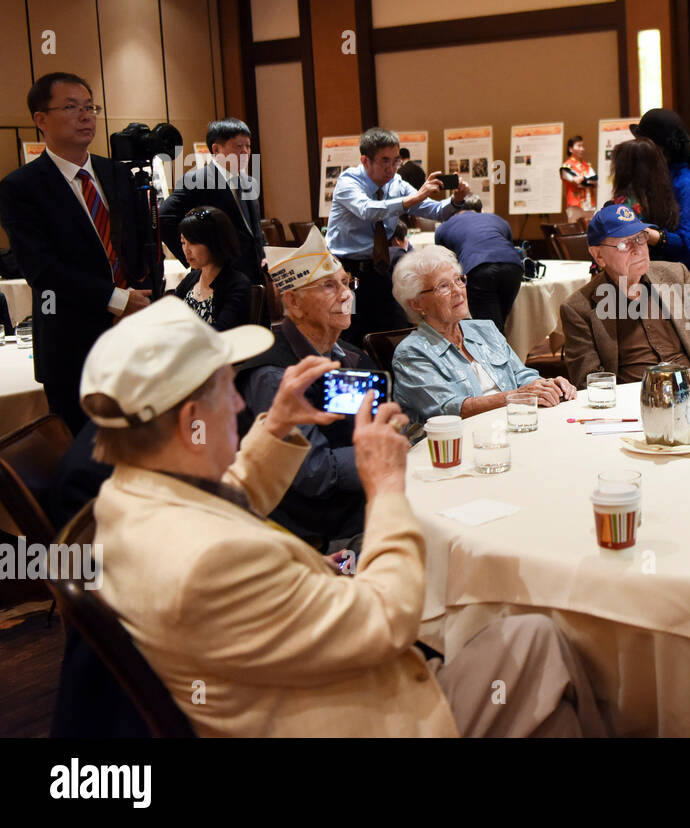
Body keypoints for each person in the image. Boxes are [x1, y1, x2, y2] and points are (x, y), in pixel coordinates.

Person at [84, 296, 605, 737]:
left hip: (291, 676)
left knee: (531, 650)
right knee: (543, 641)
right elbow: (386, 619)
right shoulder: (212, 560)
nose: (242, 409)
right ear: (190, 422)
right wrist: (385, 491)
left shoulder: (129, 499)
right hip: (359, 715)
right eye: (228, 390)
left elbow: (226, 500)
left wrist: (279, 427)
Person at [0, 72, 155, 432]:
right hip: (73, 346)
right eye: (71, 107)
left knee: (145, 446)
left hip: (137, 338)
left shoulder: (116, 174)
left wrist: (140, 298)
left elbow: (141, 243)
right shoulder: (21, 188)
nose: (86, 116)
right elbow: (42, 270)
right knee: (89, 460)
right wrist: (117, 300)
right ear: (41, 120)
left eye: (91, 107)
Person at [236, 228, 377, 551]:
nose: (345, 295)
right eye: (329, 285)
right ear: (294, 303)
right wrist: (380, 453)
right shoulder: (274, 374)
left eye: (346, 283)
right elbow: (314, 473)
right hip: (316, 535)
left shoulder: (352, 357)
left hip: (365, 504)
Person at [392, 245, 575, 420]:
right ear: (416, 303)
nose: (458, 291)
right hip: (453, 445)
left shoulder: (484, 329)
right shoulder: (411, 353)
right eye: (443, 286)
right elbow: (450, 409)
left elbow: (520, 375)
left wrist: (547, 385)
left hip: (511, 426)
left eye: (458, 280)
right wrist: (518, 396)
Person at [325, 127, 468, 345]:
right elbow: (369, 210)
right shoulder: (348, 182)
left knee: (392, 328)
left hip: (380, 268)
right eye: (385, 161)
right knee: (348, 331)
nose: (391, 168)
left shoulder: (396, 184)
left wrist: (456, 200)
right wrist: (417, 196)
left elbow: (436, 211)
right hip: (346, 274)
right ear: (365, 160)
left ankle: (393, 376)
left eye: (395, 161)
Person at [560, 204, 690, 385]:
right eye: (624, 244)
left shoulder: (677, 276)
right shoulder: (578, 309)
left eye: (640, 238)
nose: (638, 249)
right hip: (634, 403)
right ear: (598, 256)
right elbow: (590, 381)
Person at [160, 118, 268, 301]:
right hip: (221, 278)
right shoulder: (197, 180)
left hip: (255, 276)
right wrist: (192, 257)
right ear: (216, 149)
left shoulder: (249, 182)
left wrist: (264, 253)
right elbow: (164, 217)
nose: (245, 152)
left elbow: (253, 228)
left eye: (248, 146)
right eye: (238, 146)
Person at [629, 109, 690, 307]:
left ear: (659, 148)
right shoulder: (663, 177)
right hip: (668, 286)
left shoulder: (685, 184)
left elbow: (688, 245)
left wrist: (647, 234)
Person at [434, 195, 524, 335]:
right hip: (513, 266)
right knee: (499, 320)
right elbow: (508, 244)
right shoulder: (497, 219)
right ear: (480, 210)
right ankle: (502, 352)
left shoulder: (444, 227)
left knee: (488, 327)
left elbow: (445, 262)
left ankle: (495, 354)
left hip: (478, 268)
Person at [173, 206, 253, 331]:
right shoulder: (191, 279)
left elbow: (221, 332)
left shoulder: (237, 284)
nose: (186, 250)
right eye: (183, 242)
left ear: (214, 242)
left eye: (193, 242)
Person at [560, 135, 597, 222]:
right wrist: (587, 181)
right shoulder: (566, 166)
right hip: (575, 204)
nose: (582, 149)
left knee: (591, 231)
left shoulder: (587, 165)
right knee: (575, 231)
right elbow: (577, 182)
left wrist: (583, 180)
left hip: (589, 204)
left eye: (582, 146)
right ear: (570, 149)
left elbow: (595, 180)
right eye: (579, 146)